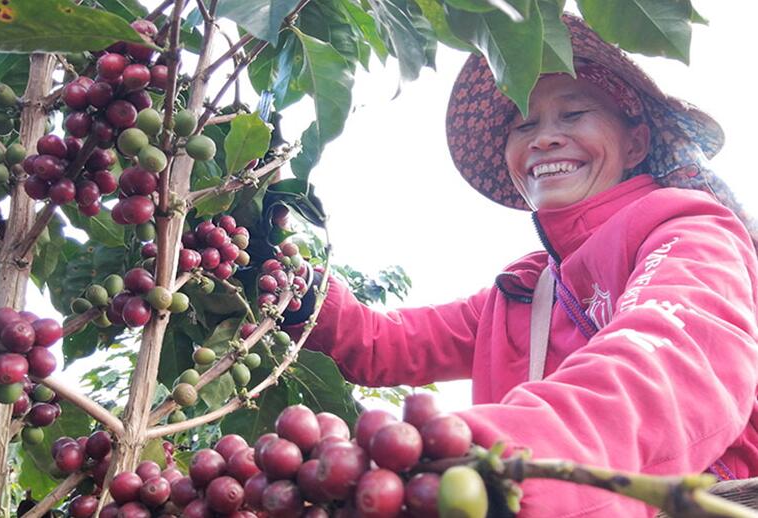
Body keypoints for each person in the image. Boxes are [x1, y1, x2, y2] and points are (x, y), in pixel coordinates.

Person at [287, 15, 758, 517]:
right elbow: (383, 341)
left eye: (573, 114)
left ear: (636, 143)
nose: (544, 139)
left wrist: (512, 454)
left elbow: (673, 359)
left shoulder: (689, 230)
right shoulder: (525, 291)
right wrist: (292, 284)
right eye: (524, 124)